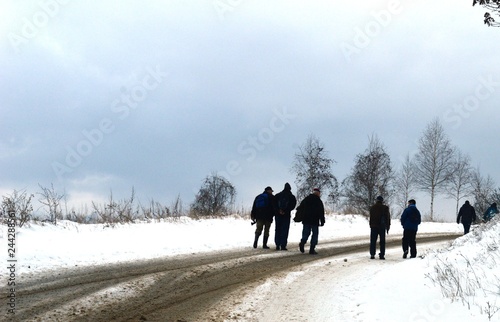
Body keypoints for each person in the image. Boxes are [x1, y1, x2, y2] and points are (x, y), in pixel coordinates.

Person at [298, 188, 325, 255]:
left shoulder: (306, 199)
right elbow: (321, 212)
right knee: (315, 234)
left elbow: (300, 208)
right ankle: (312, 249)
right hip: (314, 221)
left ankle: (302, 242)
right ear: (318, 193)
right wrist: (322, 221)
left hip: (306, 219)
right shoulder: (319, 201)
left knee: (306, 233)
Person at [274, 183, 297, 251]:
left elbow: (274, 204)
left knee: (278, 229)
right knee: (285, 230)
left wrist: (278, 210)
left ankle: (277, 244)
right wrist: (286, 210)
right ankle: (283, 245)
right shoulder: (291, 196)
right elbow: (293, 205)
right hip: (286, 215)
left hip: (278, 215)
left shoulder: (277, 195)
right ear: (289, 188)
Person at [369, 196, 391, 260]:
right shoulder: (385, 208)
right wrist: (388, 226)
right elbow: (387, 218)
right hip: (382, 227)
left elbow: (371, 217)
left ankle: (372, 254)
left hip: (374, 226)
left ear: (376, 200)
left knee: (373, 241)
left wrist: (370, 225)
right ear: (382, 200)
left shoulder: (372, 207)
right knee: (382, 241)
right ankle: (382, 255)